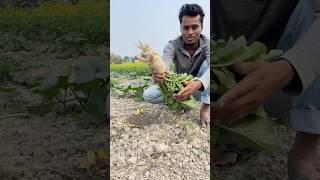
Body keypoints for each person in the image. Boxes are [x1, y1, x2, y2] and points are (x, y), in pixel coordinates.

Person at [212, 0, 320, 179]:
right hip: (218, 86)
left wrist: (287, 69)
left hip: (287, 87)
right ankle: (226, 135)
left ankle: (303, 155)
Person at [142, 3, 210, 127]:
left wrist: (199, 83)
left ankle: (206, 107)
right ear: (180, 28)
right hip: (179, 86)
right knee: (148, 95)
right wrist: (159, 76)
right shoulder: (171, 45)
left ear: (202, 27)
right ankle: (183, 101)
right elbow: (165, 66)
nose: (190, 32)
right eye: (186, 28)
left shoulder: (208, 44)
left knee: (210, 65)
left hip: (200, 88)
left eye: (194, 27)